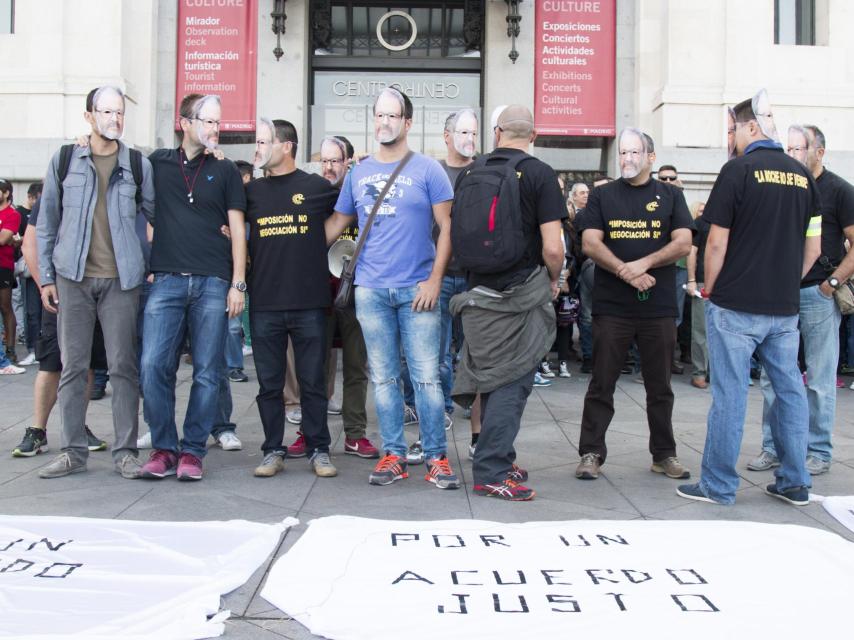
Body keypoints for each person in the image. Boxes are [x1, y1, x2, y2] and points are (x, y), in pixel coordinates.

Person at [677, 94, 821, 506]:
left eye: (731, 129)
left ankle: (719, 485)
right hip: (784, 307)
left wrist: (710, 288)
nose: (731, 138)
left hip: (736, 304)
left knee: (731, 395)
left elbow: (717, 243)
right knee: (790, 390)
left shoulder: (736, 172)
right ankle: (795, 481)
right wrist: (784, 282)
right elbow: (812, 251)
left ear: (749, 127)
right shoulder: (802, 176)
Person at [325, 86, 459, 489]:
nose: (383, 122)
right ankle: (394, 456)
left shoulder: (428, 170)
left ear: (407, 122)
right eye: (378, 115)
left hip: (417, 290)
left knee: (426, 379)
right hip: (370, 291)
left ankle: (435, 456)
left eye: (391, 116)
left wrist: (435, 280)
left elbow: (448, 227)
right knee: (383, 379)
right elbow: (334, 224)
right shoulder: (359, 172)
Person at [35, 87, 155, 479]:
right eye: (107, 112)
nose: (115, 119)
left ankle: (124, 453)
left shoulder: (138, 164)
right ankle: (72, 451)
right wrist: (47, 279)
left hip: (122, 281)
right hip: (73, 278)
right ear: (89, 116)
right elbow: (48, 222)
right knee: (73, 367)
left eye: (119, 113)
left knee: (123, 367)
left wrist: (150, 264)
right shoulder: (66, 158)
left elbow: (161, 216)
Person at [451, 104, 566, 500]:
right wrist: (553, 280)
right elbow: (553, 247)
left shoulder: (470, 172)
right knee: (512, 381)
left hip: (476, 295)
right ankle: (491, 471)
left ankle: (497, 454)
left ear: (497, 134)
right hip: (519, 293)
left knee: (491, 377)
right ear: (533, 137)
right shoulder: (540, 173)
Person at [575, 128, 694, 482]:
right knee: (602, 383)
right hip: (612, 306)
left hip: (657, 307)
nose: (626, 159)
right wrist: (627, 273)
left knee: (660, 386)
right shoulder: (604, 195)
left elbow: (684, 242)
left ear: (650, 158)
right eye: (623, 153)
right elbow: (590, 243)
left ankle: (664, 455)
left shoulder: (671, 195)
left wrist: (644, 264)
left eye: (634, 153)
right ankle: (591, 452)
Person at [139, 93, 247, 481]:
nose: (215, 128)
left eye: (219, 122)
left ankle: (193, 450)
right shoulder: (156, 164)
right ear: (185, 122)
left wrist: (238, 283)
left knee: (208, 371)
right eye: (208, 121)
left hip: (213, 281)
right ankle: (164, 447)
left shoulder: (227, 170)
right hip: (166, 279)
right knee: (153, 365)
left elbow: (237, 230)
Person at [748, 124, 854, 476]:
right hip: (779, 293)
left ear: (818, 151)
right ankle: (772, 448)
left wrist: (834, 281)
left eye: (798, 149)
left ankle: (819, 452)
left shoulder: (839, 190)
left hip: (817, 293)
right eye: (788, 148)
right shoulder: (784, 184)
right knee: (771, 377)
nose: (790, 155)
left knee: (820, 379)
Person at [245, 118, 338, 478]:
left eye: (263, 142)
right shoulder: (251, 191)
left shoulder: (316, 187)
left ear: (286, 146)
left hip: (310, 303)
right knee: (269, 385)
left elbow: (348, 207)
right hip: (265, 302)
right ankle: (272, 450)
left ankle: (319, 449)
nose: (258, 149)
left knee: (313, 381)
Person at [405, 109, 479, 463]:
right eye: (463, 132)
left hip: (475, 277)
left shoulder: (482, 173)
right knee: (432, 356)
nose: (469, 139)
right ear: (447, 136)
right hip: (437, 276)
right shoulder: (432, 172)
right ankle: (439, 414)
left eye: (474, 133)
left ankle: (478, 430)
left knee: (477, 354)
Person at [13, 196, 110, 455]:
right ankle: (37, 430)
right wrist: (45, 285)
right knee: (51, 362)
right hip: (61, 290)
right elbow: (29, 244)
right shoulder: (56, 192)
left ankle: (77, 427)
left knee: (87, 361)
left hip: (98, 289)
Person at [15, 182, 43, 366]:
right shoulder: (21, 214)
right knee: (32, 310)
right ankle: (33, 349)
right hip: (33, 268)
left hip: (51, 266)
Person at [685, 201, 709, 389]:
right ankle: (699, 372)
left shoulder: (735, 221)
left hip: (729, 285)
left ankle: (716, 372)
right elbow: (692, 252)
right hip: (703, 282)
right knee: (700, 331)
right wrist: (692, 279)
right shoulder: (701, 222)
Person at [0, 179, 22, 366]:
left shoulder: (12, 214)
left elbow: (3, 239)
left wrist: (8, 239)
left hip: (3, 266)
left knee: (5, 307)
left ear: (6, 193)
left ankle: (11, 349)